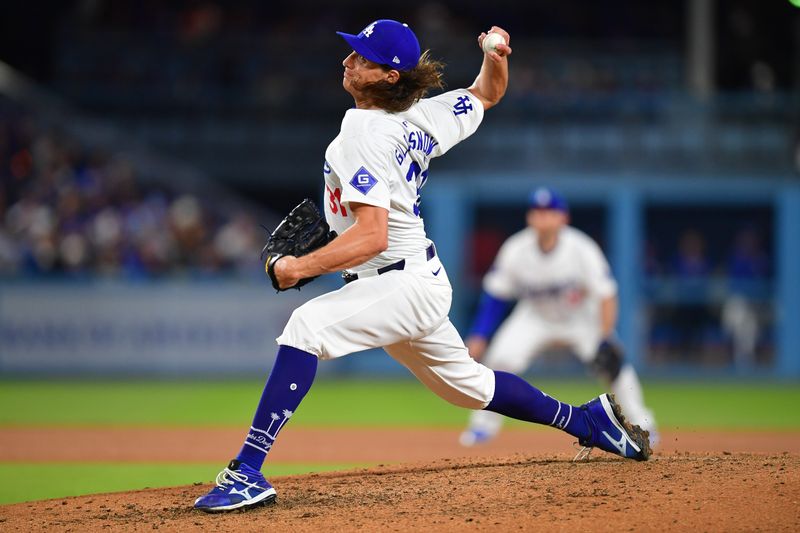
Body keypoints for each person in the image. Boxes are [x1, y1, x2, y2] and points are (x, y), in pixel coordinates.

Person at [194, 20, 651, 513]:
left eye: (363, 58)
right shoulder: (423, 116)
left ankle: (247, 471)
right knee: (470, 387)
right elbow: (486, 95)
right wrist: (495, 59)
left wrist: (298, 268)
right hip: (413, 280)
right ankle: (588, 421)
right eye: (352, 52)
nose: (348, 61)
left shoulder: (362, 133)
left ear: (390, 76)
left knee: (306, 326)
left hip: (400, 281)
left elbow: (373, 236)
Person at [459, 187, 658, 447]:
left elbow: (607, 295)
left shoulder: (581, 248)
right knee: (499, 359)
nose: (542, 218)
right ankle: (482, 426)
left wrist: (606, 336)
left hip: (579, 318)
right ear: (530, 218)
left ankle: (643, 424)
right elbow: (496, 295)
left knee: (613, 364)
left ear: (563, 218)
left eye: (549, 212)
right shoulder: (516, 249)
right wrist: (479, 334)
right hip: (535, 315)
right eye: (537, 212)